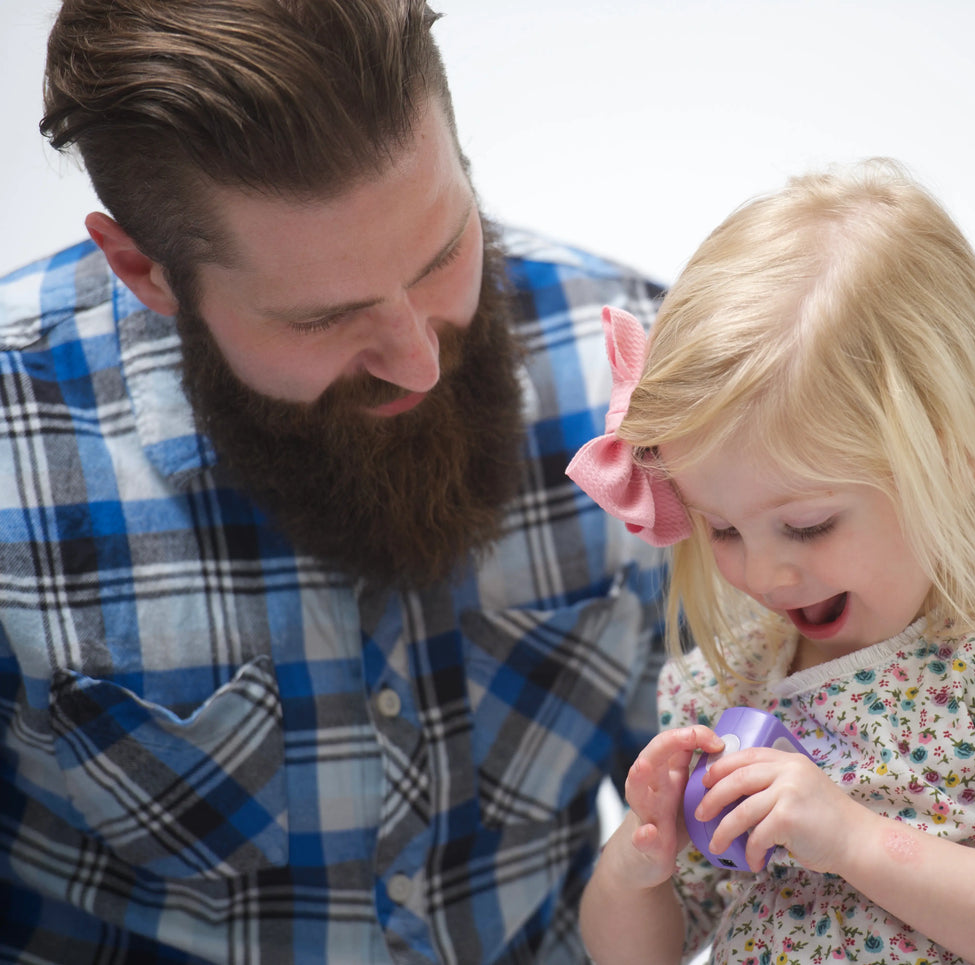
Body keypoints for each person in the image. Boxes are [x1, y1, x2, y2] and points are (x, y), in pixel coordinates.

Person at [0, 2, 667, 962]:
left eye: (443, 253)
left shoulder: (640, 382)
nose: (416, 361)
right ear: (145, 270)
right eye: (323, 319)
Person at [569, 160, 975, 965]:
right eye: (723, 529)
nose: (766, 574)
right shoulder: (722, 690)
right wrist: (637, 867)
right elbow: (641, 955)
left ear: (956, 454)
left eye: (806, 526)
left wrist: (852, 837)